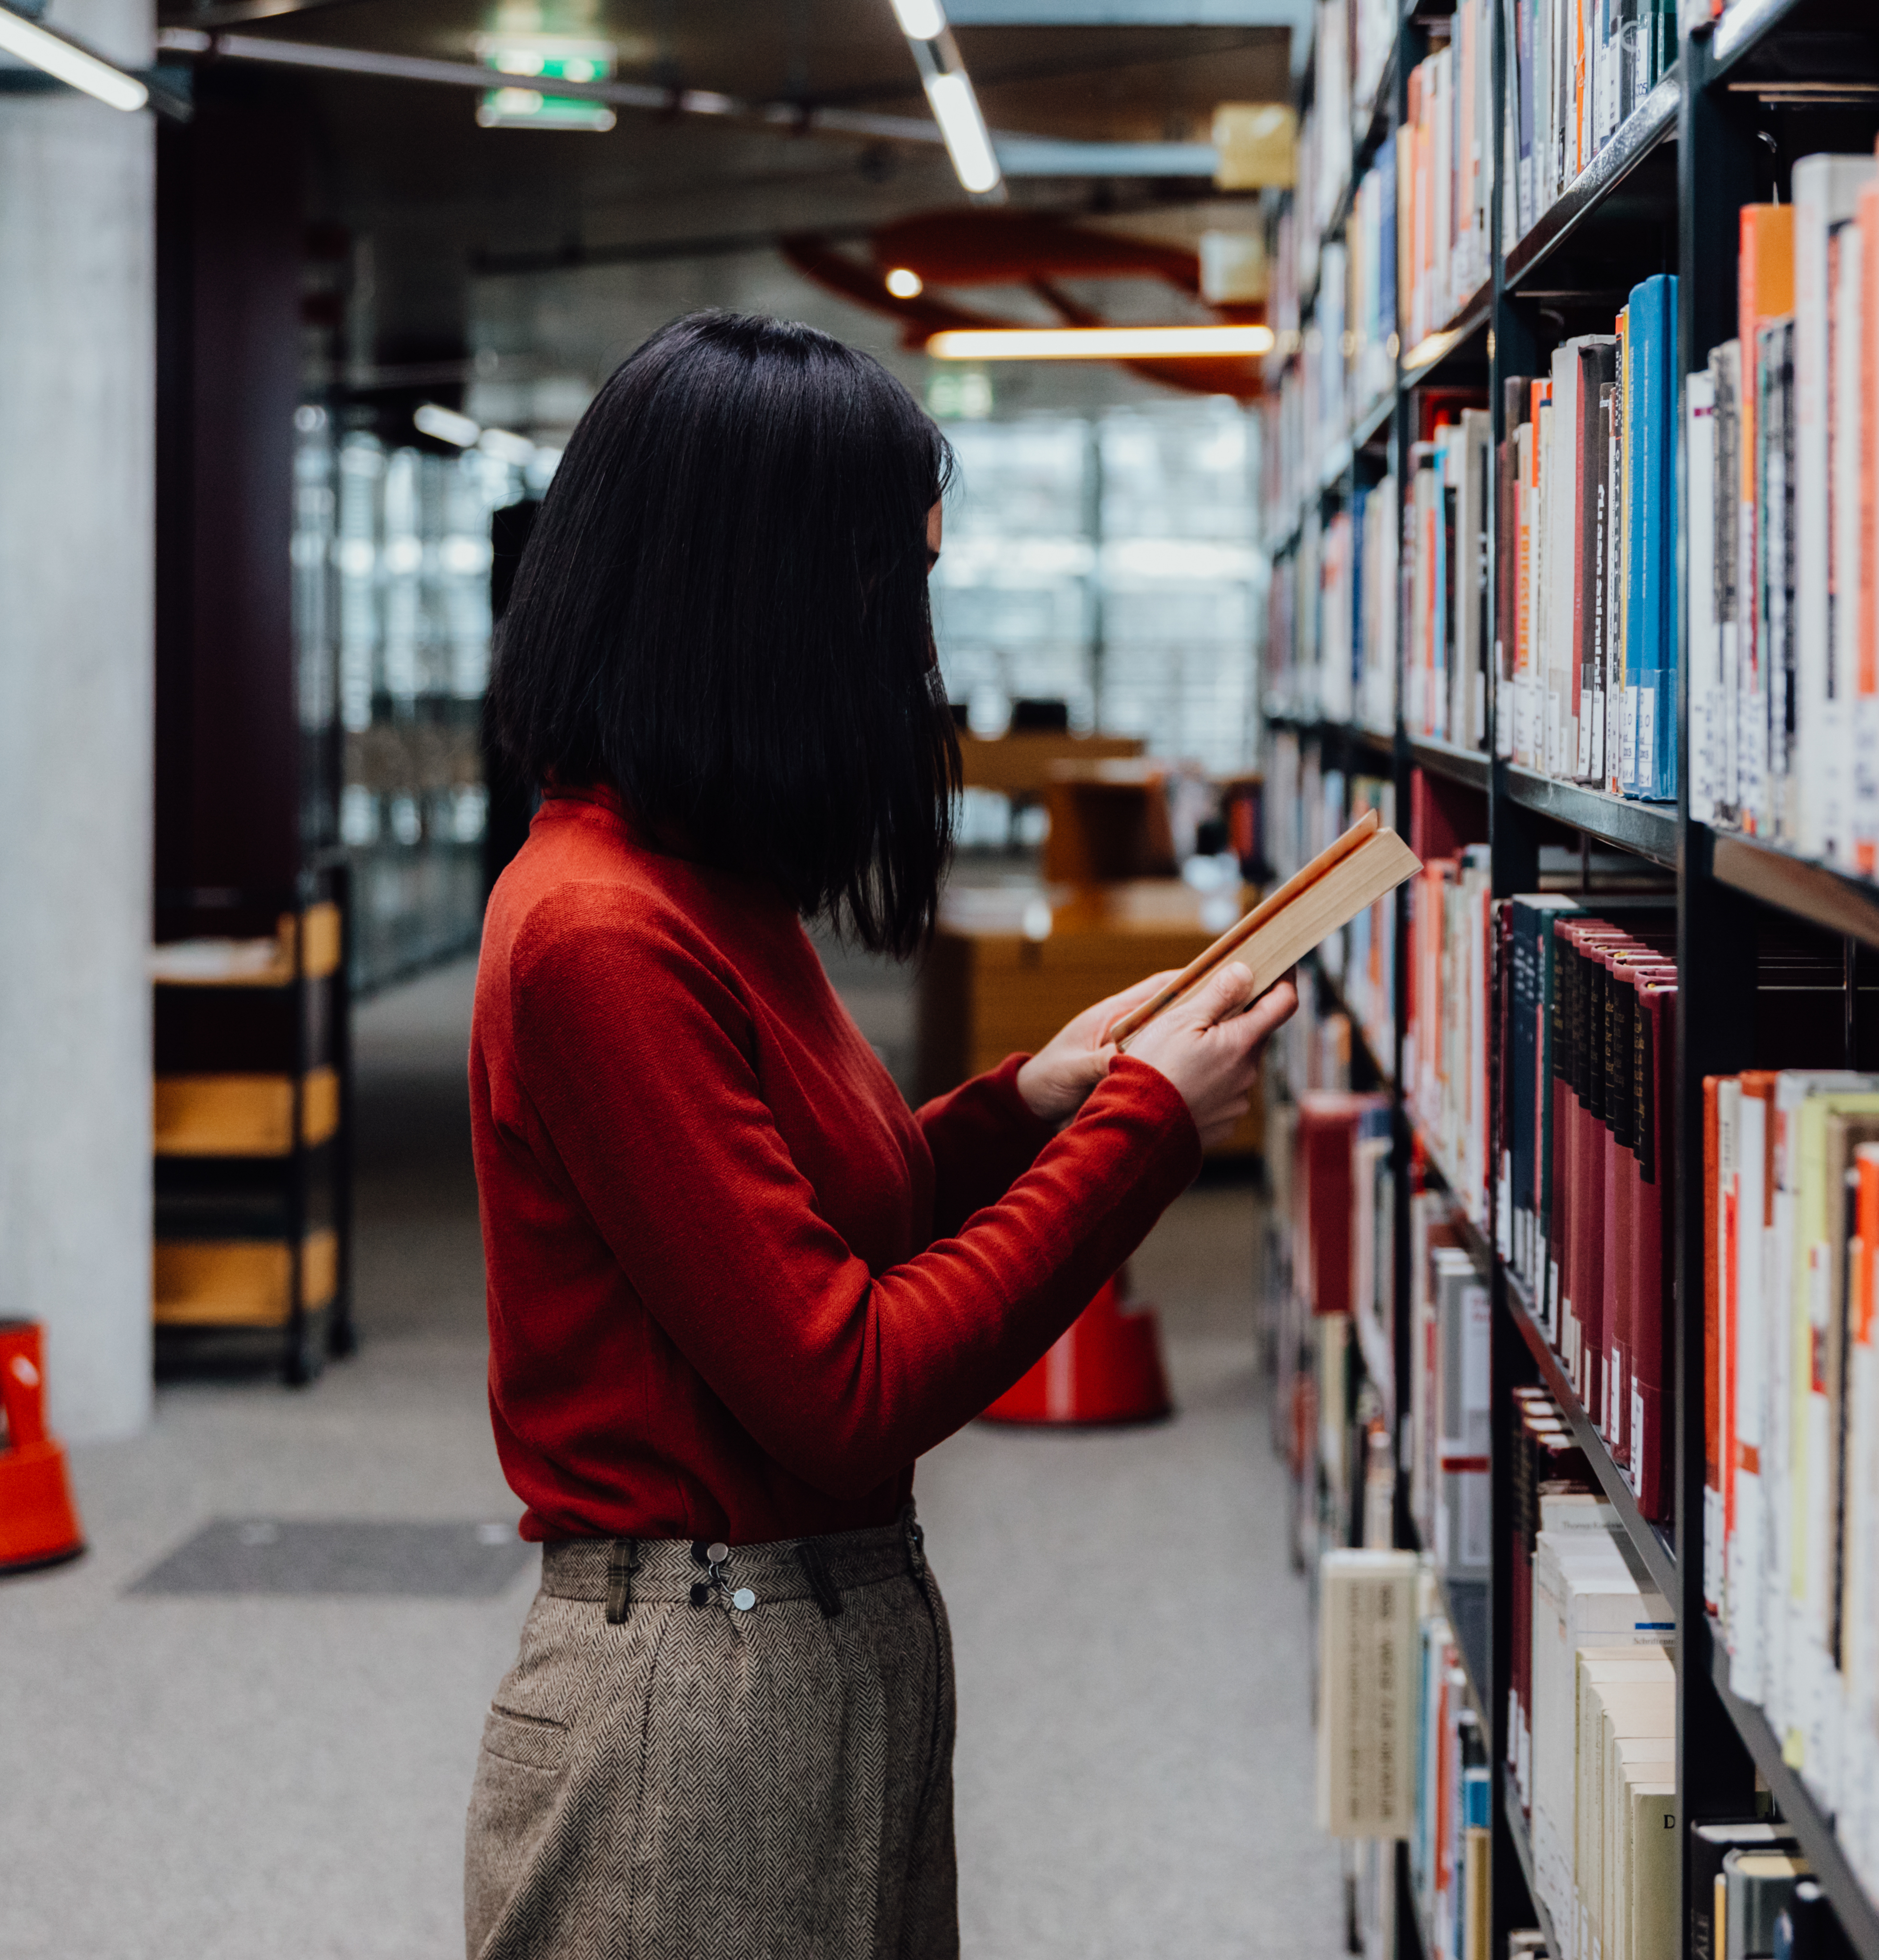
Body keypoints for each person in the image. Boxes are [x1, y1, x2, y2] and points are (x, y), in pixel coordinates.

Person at [464, 311, 1294, 1960]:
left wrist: (1026, 1106)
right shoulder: (600, 931)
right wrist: (1135, 1136)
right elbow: (838, 1383)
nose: (907, 651)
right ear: (763, 599)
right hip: (694, 1711)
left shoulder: (708, 884)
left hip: (815, 1649)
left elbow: (802, 1205)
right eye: (885, 589)